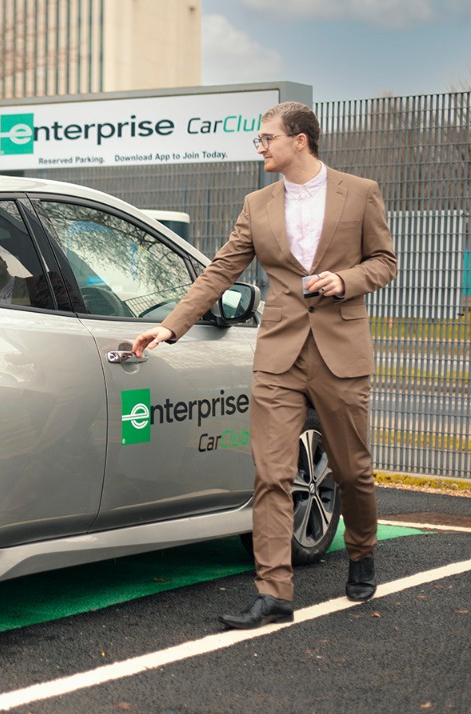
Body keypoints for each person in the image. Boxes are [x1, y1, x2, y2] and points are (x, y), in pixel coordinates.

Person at [131, 101, 397, 629]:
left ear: (300, 140)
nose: (260, 147)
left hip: (340, 353)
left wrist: (345, 281)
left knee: (352, 471)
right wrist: (170, 326)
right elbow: (221, 269)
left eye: (267, 138)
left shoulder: (359, 192)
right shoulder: (257, 204)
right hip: (279, 354)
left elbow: (384, 261)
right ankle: (274, 593)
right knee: (271, 474)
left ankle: (363, 551)